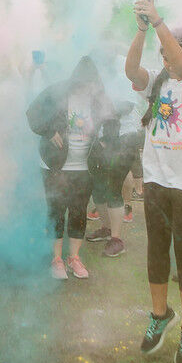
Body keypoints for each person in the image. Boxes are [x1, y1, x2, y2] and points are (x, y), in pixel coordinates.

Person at [126, 0, 182, 363]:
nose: (168, 61)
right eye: (164, 56)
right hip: (159, 180)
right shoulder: (158, 81)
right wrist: (143, 30)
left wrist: (160, 21)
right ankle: (160, 315)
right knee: (156, 251)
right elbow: (131, 71)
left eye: (174, 54)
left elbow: (181, 65)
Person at [27, 56, 114, 280]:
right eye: (84, 84)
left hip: (84, 167)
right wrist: (48, 130)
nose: (88, 88)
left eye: (91, 84)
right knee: (56, 211)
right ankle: (56, 259)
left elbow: (112, 119)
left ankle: (74, 257)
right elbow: (32, 113)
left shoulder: (98, 99)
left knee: (78, 211)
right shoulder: (57, 93)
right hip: (55, 165)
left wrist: (106, 141)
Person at [85, 45, 145, 258]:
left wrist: (100, 115)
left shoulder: (122, 72)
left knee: (113, 187)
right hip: (103, 138)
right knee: (98, 187)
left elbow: (125, 106)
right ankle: (106, 228)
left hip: (124, 138)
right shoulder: (99, 73)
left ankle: (117, 239)